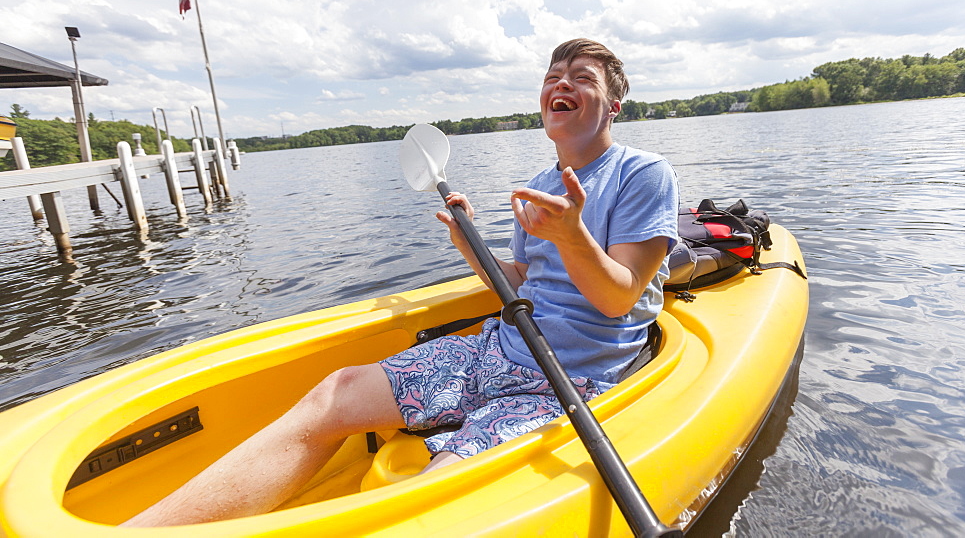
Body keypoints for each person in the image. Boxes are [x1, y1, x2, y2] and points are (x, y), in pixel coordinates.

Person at [124, 38, 679, 527]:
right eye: (553, 77)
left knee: (434, 491)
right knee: (333, 394)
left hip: (573, 377)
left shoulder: (643, 173)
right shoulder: (534, 187)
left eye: (582, 79)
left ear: (613, 107)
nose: (562, 84)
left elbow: (618, 296)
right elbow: (525, 284)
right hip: (502, 349)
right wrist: (471, 247)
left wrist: (572, 234)